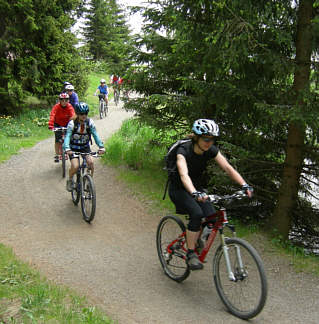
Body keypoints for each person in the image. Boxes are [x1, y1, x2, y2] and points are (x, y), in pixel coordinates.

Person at [168, 119, 253, 271]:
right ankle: (191, 253)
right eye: (206, 139)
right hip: (179, 189)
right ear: (196, 137)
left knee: (212, 217)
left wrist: (244, 184)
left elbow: (227, 167)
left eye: (212, 139)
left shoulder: (211, 150)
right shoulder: (184, 151)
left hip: (197, 189)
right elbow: (183, 174)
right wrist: (194, 192)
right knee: (196, 213)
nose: (209, 142)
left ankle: (195, 238)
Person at [63, 102, 105, 192]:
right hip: (73, 148)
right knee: (75, 166)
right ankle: (70, 179)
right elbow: (67, 137)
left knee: (91, 163)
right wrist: (67, 148)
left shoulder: (90, 123)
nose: (84, 116)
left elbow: (95, 135)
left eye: (86, 113)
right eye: (81, 114)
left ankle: (90, 183)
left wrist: (101, 146)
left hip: (85, 147)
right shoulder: (72, 124)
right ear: (77, 114)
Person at [48, 93, 75, 163]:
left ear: (68, 100)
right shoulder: (56, 107)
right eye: (62, 100)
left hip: (67, 124)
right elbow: (52, 115)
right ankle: (57, 154)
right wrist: (51, 125)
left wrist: (73, 122)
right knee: (57, 140)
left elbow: (73, 115)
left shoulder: (70, 107)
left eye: (66, 100)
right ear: (59, 100)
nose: (64, 102)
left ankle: (69, 150)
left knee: (69, 137)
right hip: (58, 124)